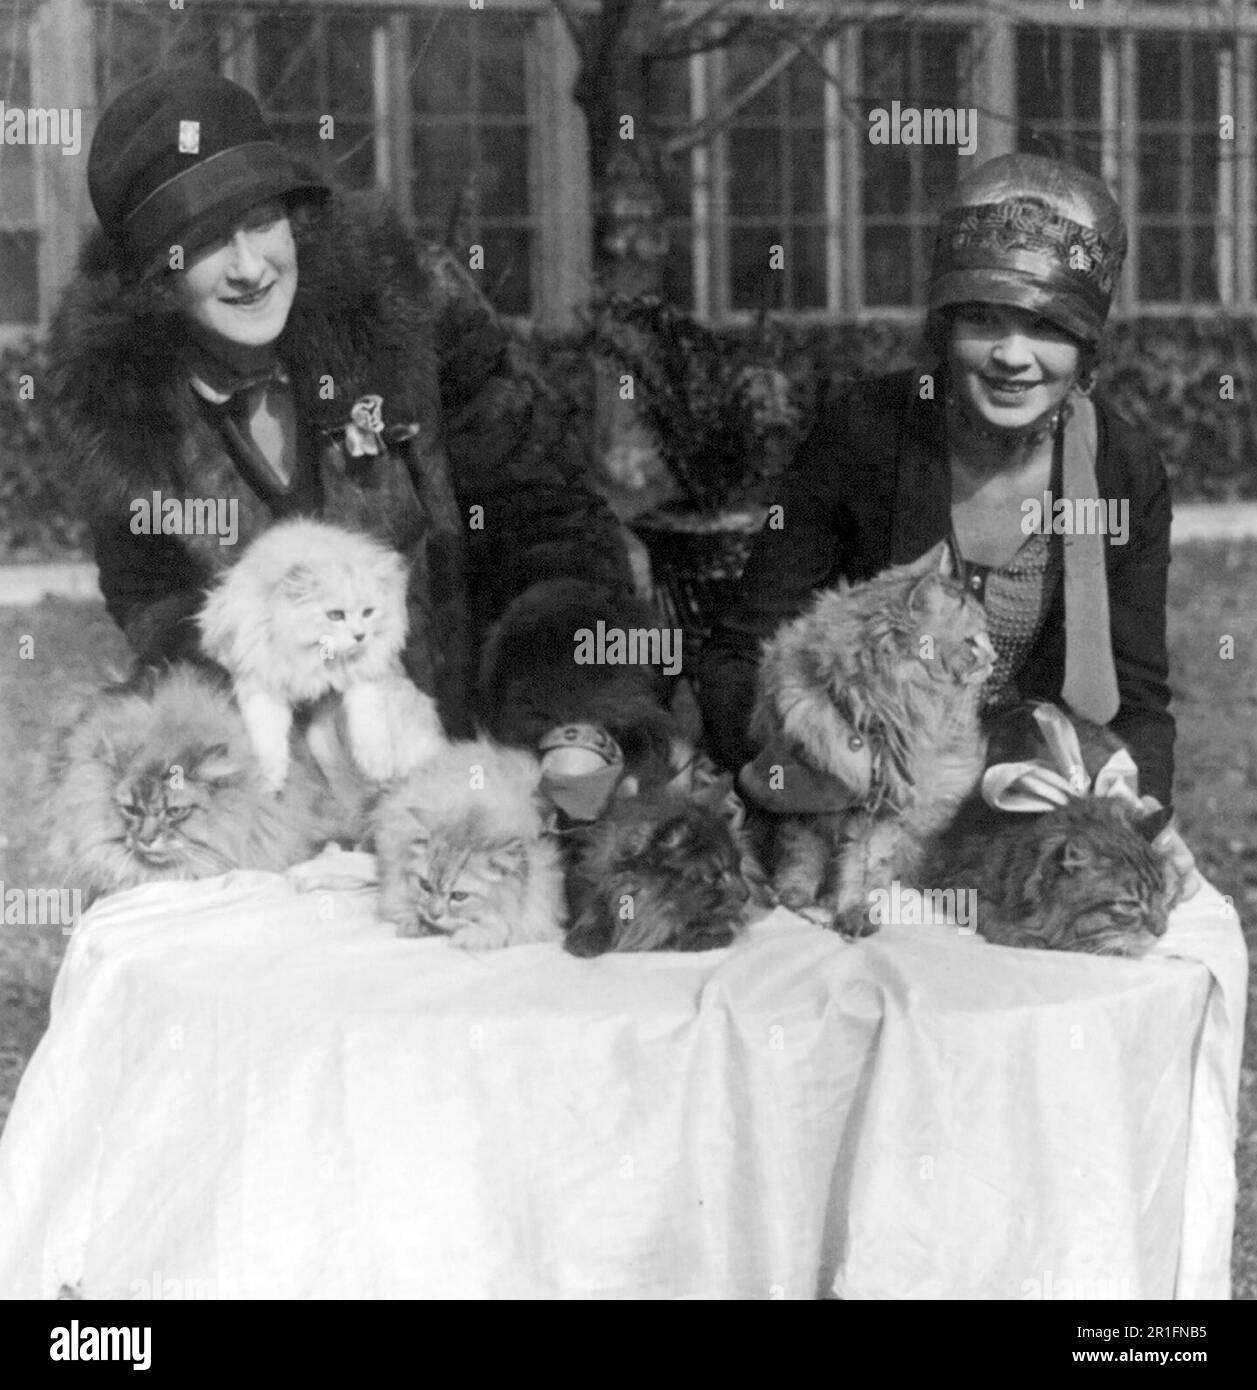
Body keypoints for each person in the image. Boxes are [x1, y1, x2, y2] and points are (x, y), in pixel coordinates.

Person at [49, 68, 672, 816]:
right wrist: (272, 724)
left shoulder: (409, 309)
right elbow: (162, 606)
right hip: (292, 786)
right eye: (205, 244)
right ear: (153, 280)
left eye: (261, 221)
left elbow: (541, 520)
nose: (249, 268)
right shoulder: (132, 418)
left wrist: (565, 716)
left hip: (488, 741)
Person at [699, 154, 1176, 810]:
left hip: (1033, 796)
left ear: (1086, 350)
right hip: (852, 795)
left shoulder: (1122, 470)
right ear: (943, 327)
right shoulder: (864, 432)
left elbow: (1138, 703)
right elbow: (743, 648)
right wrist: (776, 761)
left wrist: (1137, 803)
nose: (1011, 356)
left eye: (1046, 326)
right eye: (983, 319)